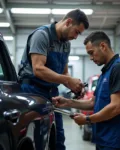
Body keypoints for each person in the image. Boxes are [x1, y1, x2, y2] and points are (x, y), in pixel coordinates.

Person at [18, 9, 89, 150]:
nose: (76, 37)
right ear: (68, 22)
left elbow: (64, 72)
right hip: (32, 91)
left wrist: (74, 85)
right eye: (76, 32)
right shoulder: (42, 35)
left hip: (52, 93)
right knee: (37, 139)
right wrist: (67, 80)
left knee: (57, 139)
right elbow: (38, 68)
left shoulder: (65, 44)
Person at [52, 31, 120, 150]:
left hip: (117, 142)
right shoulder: (105, 72)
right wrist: (67, 102)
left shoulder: (119, 69)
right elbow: (93, 102)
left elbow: (116, 107)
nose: (91, 58)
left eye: (92, 53)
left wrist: (87, 119)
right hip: (104, 139)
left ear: (103, 46)